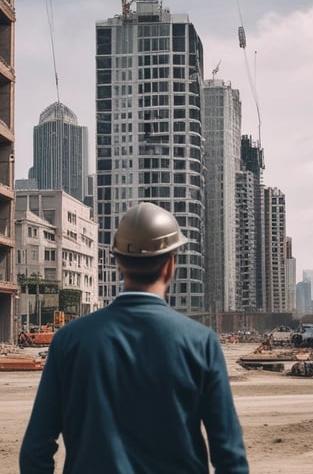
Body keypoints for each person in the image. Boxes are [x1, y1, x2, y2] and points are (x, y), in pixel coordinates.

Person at [19, 202, 249, 474]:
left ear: (118, 263)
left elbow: (35, 450)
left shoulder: (69, 340)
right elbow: (229, 456)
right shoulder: (201, 342)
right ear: (169, 265)